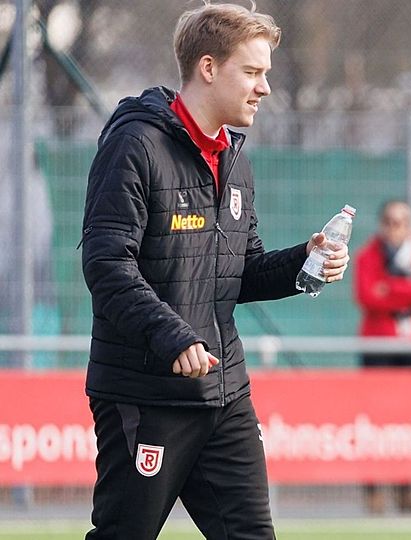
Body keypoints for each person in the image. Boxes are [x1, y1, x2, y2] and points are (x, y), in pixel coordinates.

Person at [80, 3, 349, 538]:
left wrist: (304, 261)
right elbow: (106, 263)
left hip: (225, 394)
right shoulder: (135, 145)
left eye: (265, 74)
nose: (264, 89)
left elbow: (241, 271)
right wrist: (173, 337)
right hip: (147, 393)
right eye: (252, 72)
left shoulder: (233, 158)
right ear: (208, 68)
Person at [353, 199, 411, 513]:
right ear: (382, 224)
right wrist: (410, 288)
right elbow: (366, 294)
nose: (396, 228)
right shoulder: (369, 255)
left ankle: (407, 490)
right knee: (375, 417)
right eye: (390, 222)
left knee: (409, 418)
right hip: (378, 347)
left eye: (402, 221)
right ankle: (373, 490)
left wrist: (389, 289)